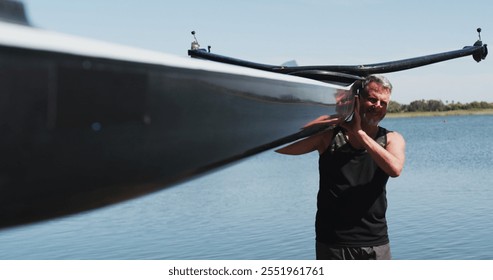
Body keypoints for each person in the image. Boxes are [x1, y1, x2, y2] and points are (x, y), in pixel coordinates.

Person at [276, 74, 405, 260]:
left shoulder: (392, 139)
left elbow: (395, 169)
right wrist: (321, 120)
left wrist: (360, 134)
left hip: (375, 241)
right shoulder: (328, 136)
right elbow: (281, 147)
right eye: (372, 99)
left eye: (383, 102)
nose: (378, 106)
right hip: (333, 242)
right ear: (357, 100)